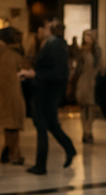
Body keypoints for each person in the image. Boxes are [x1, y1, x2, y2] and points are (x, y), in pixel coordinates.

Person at [20, 18, 76, 173]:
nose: (40, 30)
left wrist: (35, 75)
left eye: (44, 27)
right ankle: (68, 148)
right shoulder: (49, 45)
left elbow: (58, 73)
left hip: (48, 92)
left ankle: (41, 164)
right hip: (45, 91)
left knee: (44, 125)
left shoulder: (56, 46)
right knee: (50, 124)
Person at [0, 27, 26, 165]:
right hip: (12, 95)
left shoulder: (0, 54)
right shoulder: (12, 54)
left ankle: (10, 151)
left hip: (2, 95)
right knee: (13, 126)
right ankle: (14, 153)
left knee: (9, 126)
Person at [75, 29, 106, 144]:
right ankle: (86, 131)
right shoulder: (82, 51)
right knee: (83, 108)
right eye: (85, 36)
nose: (87, 38)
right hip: (83, 81)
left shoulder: (97, 51)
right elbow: (78, 67)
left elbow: (101, 66)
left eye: (89, 35)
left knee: (91, 108)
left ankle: (89, 131)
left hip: (93, 81)